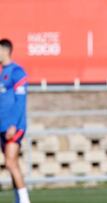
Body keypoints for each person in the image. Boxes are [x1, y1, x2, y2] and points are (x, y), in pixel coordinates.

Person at [0, 39, 31, 203]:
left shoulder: (17, 72)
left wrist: (14, 124)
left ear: (5, 51)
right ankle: (18, 199)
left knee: (11, 162)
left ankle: (25, 200)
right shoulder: (1, 73)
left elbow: (20, 102)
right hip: (2, 126)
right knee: (11, 164)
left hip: (14, 126)